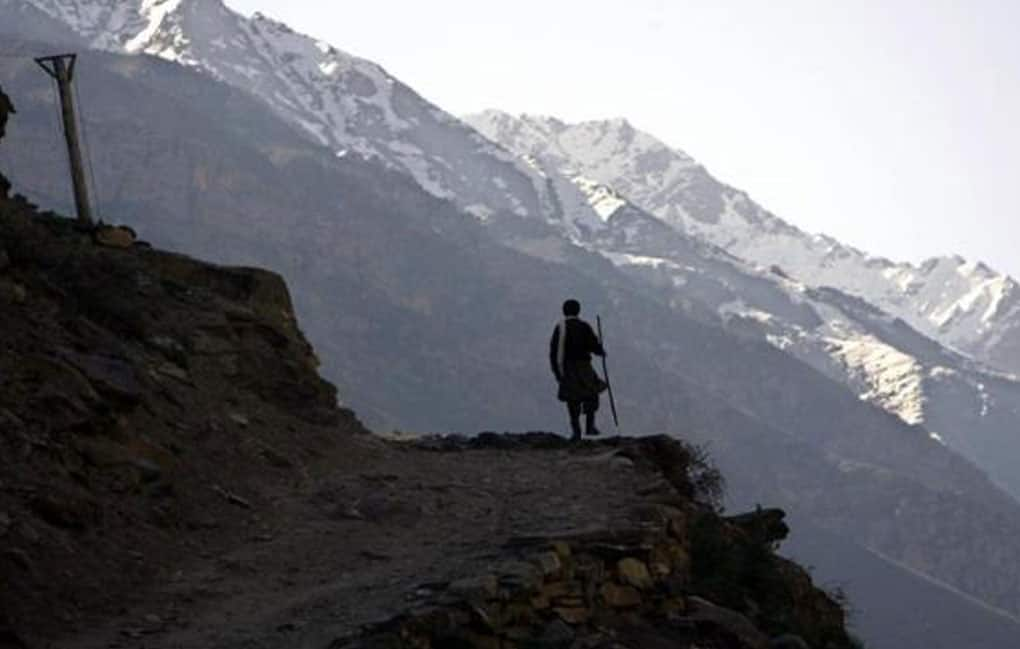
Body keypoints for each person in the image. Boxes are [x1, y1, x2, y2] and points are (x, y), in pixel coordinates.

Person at [549, 299, 607, 441]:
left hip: (568, 368)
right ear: (578, 311)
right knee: (592, 393)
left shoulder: (560, 327)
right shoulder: (584, 326)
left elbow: (554, 352)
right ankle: (590, 425)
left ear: (564, 311)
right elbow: (594, 346)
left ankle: (576, 432)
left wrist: (557, 372)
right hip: (584, 367)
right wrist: (601, 351)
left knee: (572, 400)